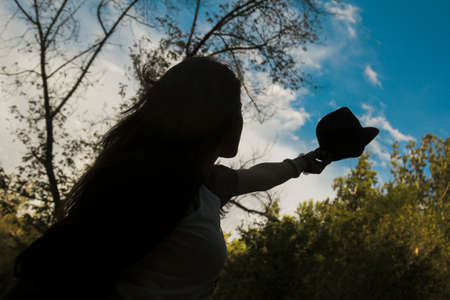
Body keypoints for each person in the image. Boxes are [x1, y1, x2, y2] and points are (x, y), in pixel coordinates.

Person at [7, 56, 331, 300]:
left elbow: (259, 176)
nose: (241, 117)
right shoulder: (152, 187)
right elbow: (54, 273)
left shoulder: (204, 186)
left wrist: (302, 162)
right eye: (237, 107)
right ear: (215, 116)